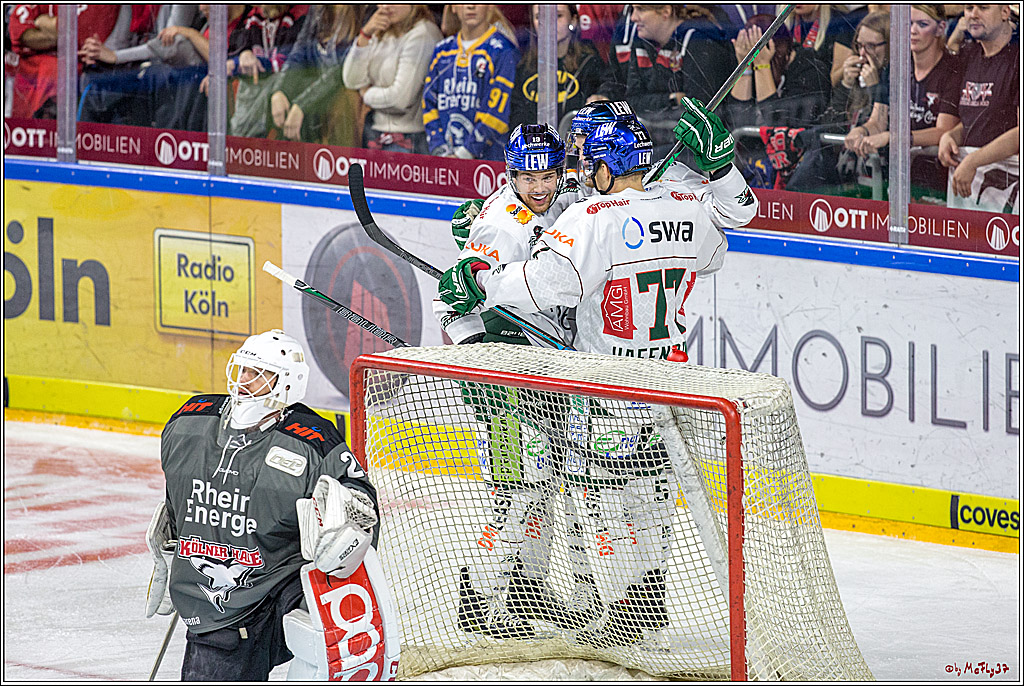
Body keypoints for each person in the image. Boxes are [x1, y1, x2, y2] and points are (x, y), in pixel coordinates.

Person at [438, 103, 759, 646]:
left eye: (585, 164)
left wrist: (482, 281)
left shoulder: (590, 216)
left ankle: (609, 610)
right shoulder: (683, 203)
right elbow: (735, 221)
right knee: (642, 497)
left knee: (597, 500)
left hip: (601, 386)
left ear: (606, 167)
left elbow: (548, 283)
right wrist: (721, 169)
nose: (571, 177)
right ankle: (626, 606)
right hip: (663, 382)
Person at [144, 329, 396, 680]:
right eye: (243, 369)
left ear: (287, 383)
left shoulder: (311, 439)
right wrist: (175, 547)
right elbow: (177, 499)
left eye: (259, 373)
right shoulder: (190, 422)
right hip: (220, 605)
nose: (245, 380)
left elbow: (360, 501)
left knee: (332, 642)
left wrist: (348, 531)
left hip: (285, 584)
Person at [847, 5, 963, 202]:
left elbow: (944, 130)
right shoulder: (896, 66)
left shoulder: (952, 69)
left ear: (940, 28)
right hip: (901, 181)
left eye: (922, 24)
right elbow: (878, 121)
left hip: (939, 182)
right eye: (908, 24)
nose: (912, 31)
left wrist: (894, 137)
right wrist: (861, 131)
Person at [591, 5, 736, 154]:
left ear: (666, 11)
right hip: (659, 142)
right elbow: (633, 100)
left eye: (641, 9)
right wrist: (671, 99)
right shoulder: (641, 40)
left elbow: (698, 111)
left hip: (698, 150)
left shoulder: (700, 40)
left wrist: (655, 104)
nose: (633, 17)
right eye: (633, 9)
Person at [938, 3, 1019, 213]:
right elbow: (978, 119)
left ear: (1005, 12)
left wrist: (973, 161)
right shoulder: (970, 54)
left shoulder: (1017, 57)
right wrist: (950, 136)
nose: (973, 14)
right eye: (968, 8)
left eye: (983, 7)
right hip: (971, 189)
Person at [422, 5, 520, 160]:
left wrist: (464, 153)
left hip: (489, 161)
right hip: (446, 159)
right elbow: (429, 104)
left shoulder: (503, 50)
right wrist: (440, 150)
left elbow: (497, 112)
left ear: (490, 6)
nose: (470, 6)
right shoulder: (442, 51)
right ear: (453, 7)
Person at [342, 5, 442, 154]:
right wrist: (365, 35)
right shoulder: (381, 30)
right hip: (374, 133)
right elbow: (351, 80)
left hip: (410, 139)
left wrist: (366, 94)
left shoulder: (423, 35)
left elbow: (400, 100)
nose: (385, 6)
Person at [270, 5, 365, 146]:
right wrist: (279, 91)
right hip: (315, 102)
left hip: (343, 106)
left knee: (344, 99)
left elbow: (343, 71)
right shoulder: (317, 8)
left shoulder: (367, 11)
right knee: (278, 99)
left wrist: (302, 105)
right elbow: (298, 53)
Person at [7, 3, 121, 119]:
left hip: (76, 76)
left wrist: (42, 22)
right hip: (26, 77)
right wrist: (60, 32)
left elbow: (80, 36)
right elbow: (22, 35)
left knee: (57, 70)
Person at [508, 4, 610, 133]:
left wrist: (601, 97)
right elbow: (516, 119)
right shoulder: (524, 67)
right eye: (540, 17)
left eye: (558, 16)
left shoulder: (589, 63)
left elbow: (609, 89)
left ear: (573, 20)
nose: (549, 23)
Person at [223, 5, 308, 139]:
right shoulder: (254, 17)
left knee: (267, 82)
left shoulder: (299, 16)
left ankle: (245, 140)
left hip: (287, 84)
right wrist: (242, 55)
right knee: (246, 82)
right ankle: (241, 140)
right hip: (259, 85)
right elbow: (238, 46)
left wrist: (244, 63)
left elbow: (288, 62)